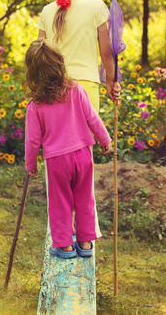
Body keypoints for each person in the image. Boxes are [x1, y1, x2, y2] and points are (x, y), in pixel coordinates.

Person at [24, 38, 112, 258]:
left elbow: (32, 140)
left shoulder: (35, 106)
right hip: (83, 154)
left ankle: (64, 245)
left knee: (60, 201)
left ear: (32, 74)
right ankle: (85, 244)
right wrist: (105, 141)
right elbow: (93, 118)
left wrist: (31, 164)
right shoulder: (76, 90)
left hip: (57, 161)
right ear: (60, 65)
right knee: (84, 198)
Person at [37, 0, 120, 113]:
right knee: (86, 136)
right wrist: (111, 80)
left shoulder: (47, 11)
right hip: (86, 84)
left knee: (59, 136)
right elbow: (106, 52)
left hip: (54, 86)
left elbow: (39, 53)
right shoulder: (96, 6)